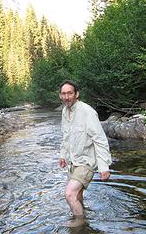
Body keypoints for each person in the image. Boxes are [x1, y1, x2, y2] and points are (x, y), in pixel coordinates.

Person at [58, 80, 112, 226]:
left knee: (69, 194)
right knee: (77, 196)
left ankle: (80, 224)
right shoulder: (65, 111)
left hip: (87, 162)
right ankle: (84, 216)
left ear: (77, 94)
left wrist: (104, 167)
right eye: (64, 93)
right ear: (60, 96)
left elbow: (100, 140)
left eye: (70, 93)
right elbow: (66, 136)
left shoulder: (87, 112)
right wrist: (63, 155)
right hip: (73, 161)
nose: (67, 97)